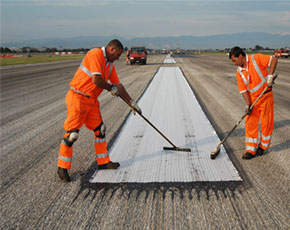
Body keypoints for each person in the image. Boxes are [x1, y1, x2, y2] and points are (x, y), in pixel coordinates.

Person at [57, 39, 142, 182]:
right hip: (77, 98)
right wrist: (110, 88)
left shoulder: (109, 66)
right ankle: (62, 168)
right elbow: (96, 79)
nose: (118, 57)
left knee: (100, 130)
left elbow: (118, 86)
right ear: (111, 49)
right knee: (72, 135)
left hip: (91, 102)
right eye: (118, 54)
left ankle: (103, 162)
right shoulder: (95, 54)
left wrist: (132, 102)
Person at [229, 46, 278, 160]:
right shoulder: (239, 72)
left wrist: (270, 76)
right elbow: (243, 90)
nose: (234, 63)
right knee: (250, 123)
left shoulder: (256, 58)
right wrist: (248, 104)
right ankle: (250, 150)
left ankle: (262, 147)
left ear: (240, 56)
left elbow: (274, 60)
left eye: (234, 60)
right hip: (253, 100)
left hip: (265, 96)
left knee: (267, 124)